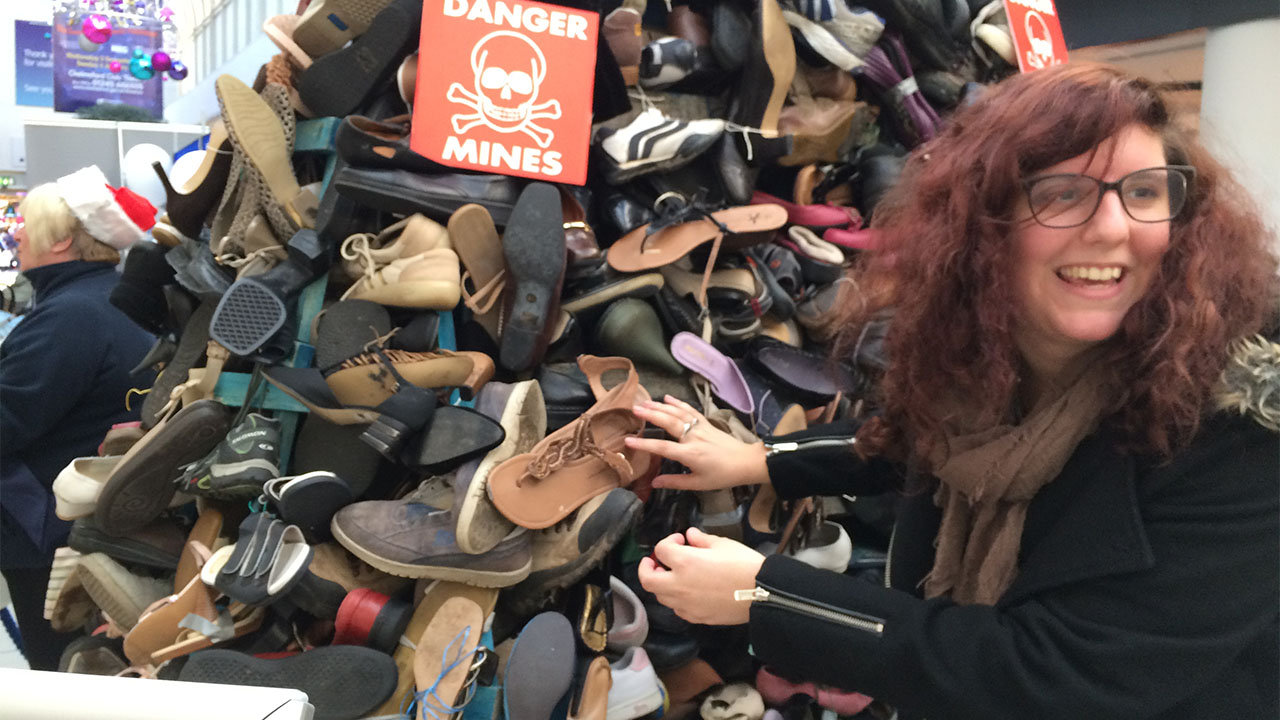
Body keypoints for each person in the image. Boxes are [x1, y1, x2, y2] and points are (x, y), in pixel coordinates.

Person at [629, 64, 1280, 719]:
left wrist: (770, 595)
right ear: (982, 224)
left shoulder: (1242, 436)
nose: (1113, 227)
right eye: (1061, 192)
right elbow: (924, 440)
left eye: (1144, 192)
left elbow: (1052, 674)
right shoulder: (1004, 359)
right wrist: (762, 460)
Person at [0, 166, 158, 670]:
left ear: (63, 239)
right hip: (97, 523)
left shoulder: (70, 315)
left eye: (28, 224)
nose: (17, 233)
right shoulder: (113, 300)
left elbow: (9, 416)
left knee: (63, 673)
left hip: (48, 528)